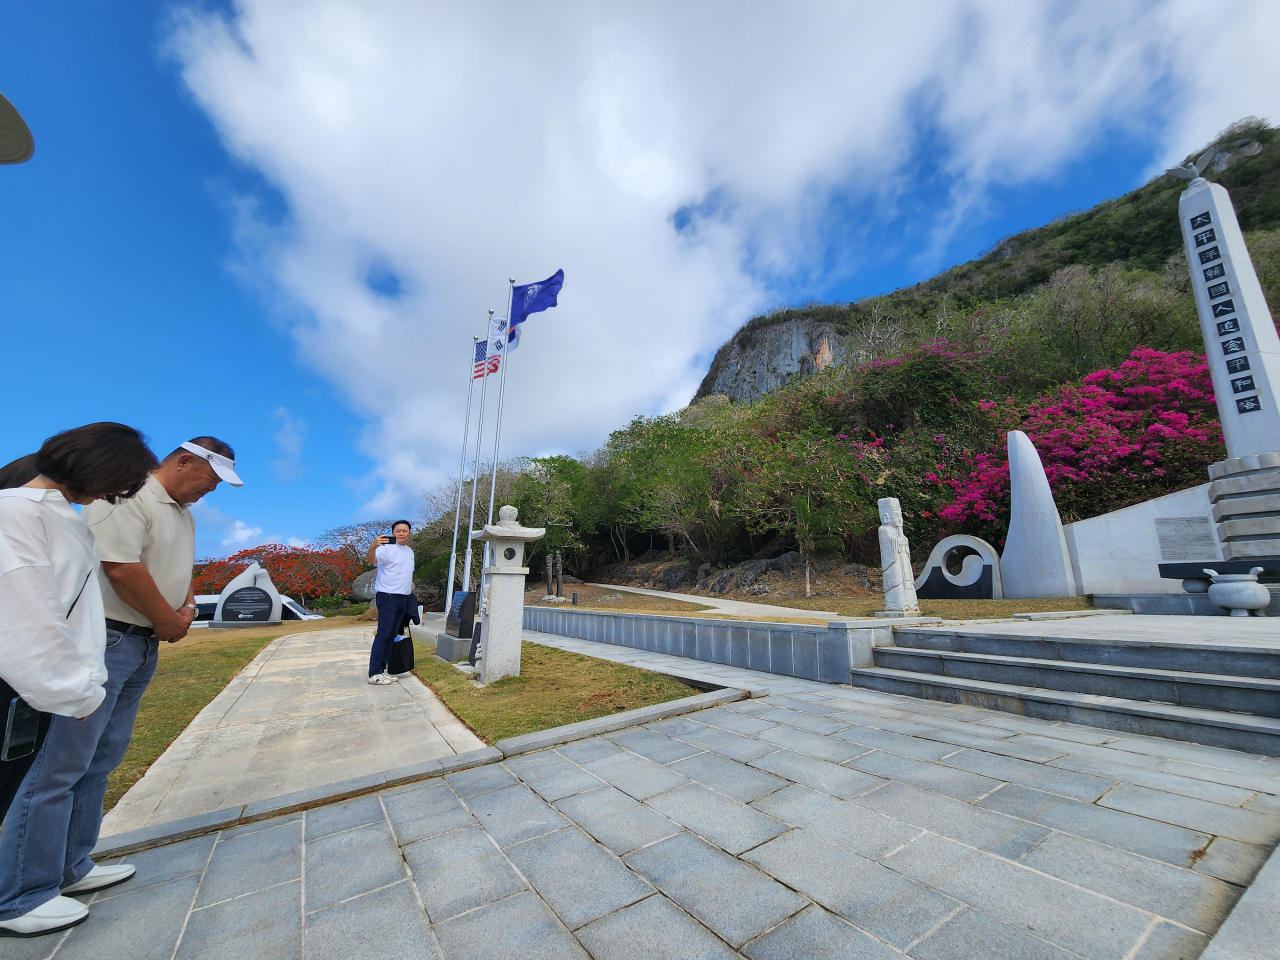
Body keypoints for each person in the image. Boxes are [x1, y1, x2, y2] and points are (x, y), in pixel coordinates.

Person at [0, 436, 241, 938]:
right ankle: (23, 892)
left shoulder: (180, 512)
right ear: (185, 461)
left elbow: (178, 570)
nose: (211, 491)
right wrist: (165, 620)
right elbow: (120, 567)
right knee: (59, 766)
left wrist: (187, 606)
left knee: (101, 758)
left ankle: (73, 864)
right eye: (211, 479)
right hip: (112, 637)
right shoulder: (125, 496)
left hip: (141, 641)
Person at [0, 423, 157, 937]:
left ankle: (69, 866)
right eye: (121, 480)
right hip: (38, 681)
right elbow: (27, 615)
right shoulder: (15, 513)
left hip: (78, 671)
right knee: (45, 778)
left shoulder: (61, 517)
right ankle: (19, 896)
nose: (118, 494)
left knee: (79, 767)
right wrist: (72, 688)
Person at [365, 520, 419, 684]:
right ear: (393, 532)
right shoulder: (386, 549)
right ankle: (374, 673)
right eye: (398, 530)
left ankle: (382, 670)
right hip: (388, 596)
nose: (401, 533)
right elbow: (370, 560)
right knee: (383, 634)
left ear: (409, 532)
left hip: (403, 598)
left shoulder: (409, 551)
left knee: (392, 635)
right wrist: (373, 545)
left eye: (404, 530)